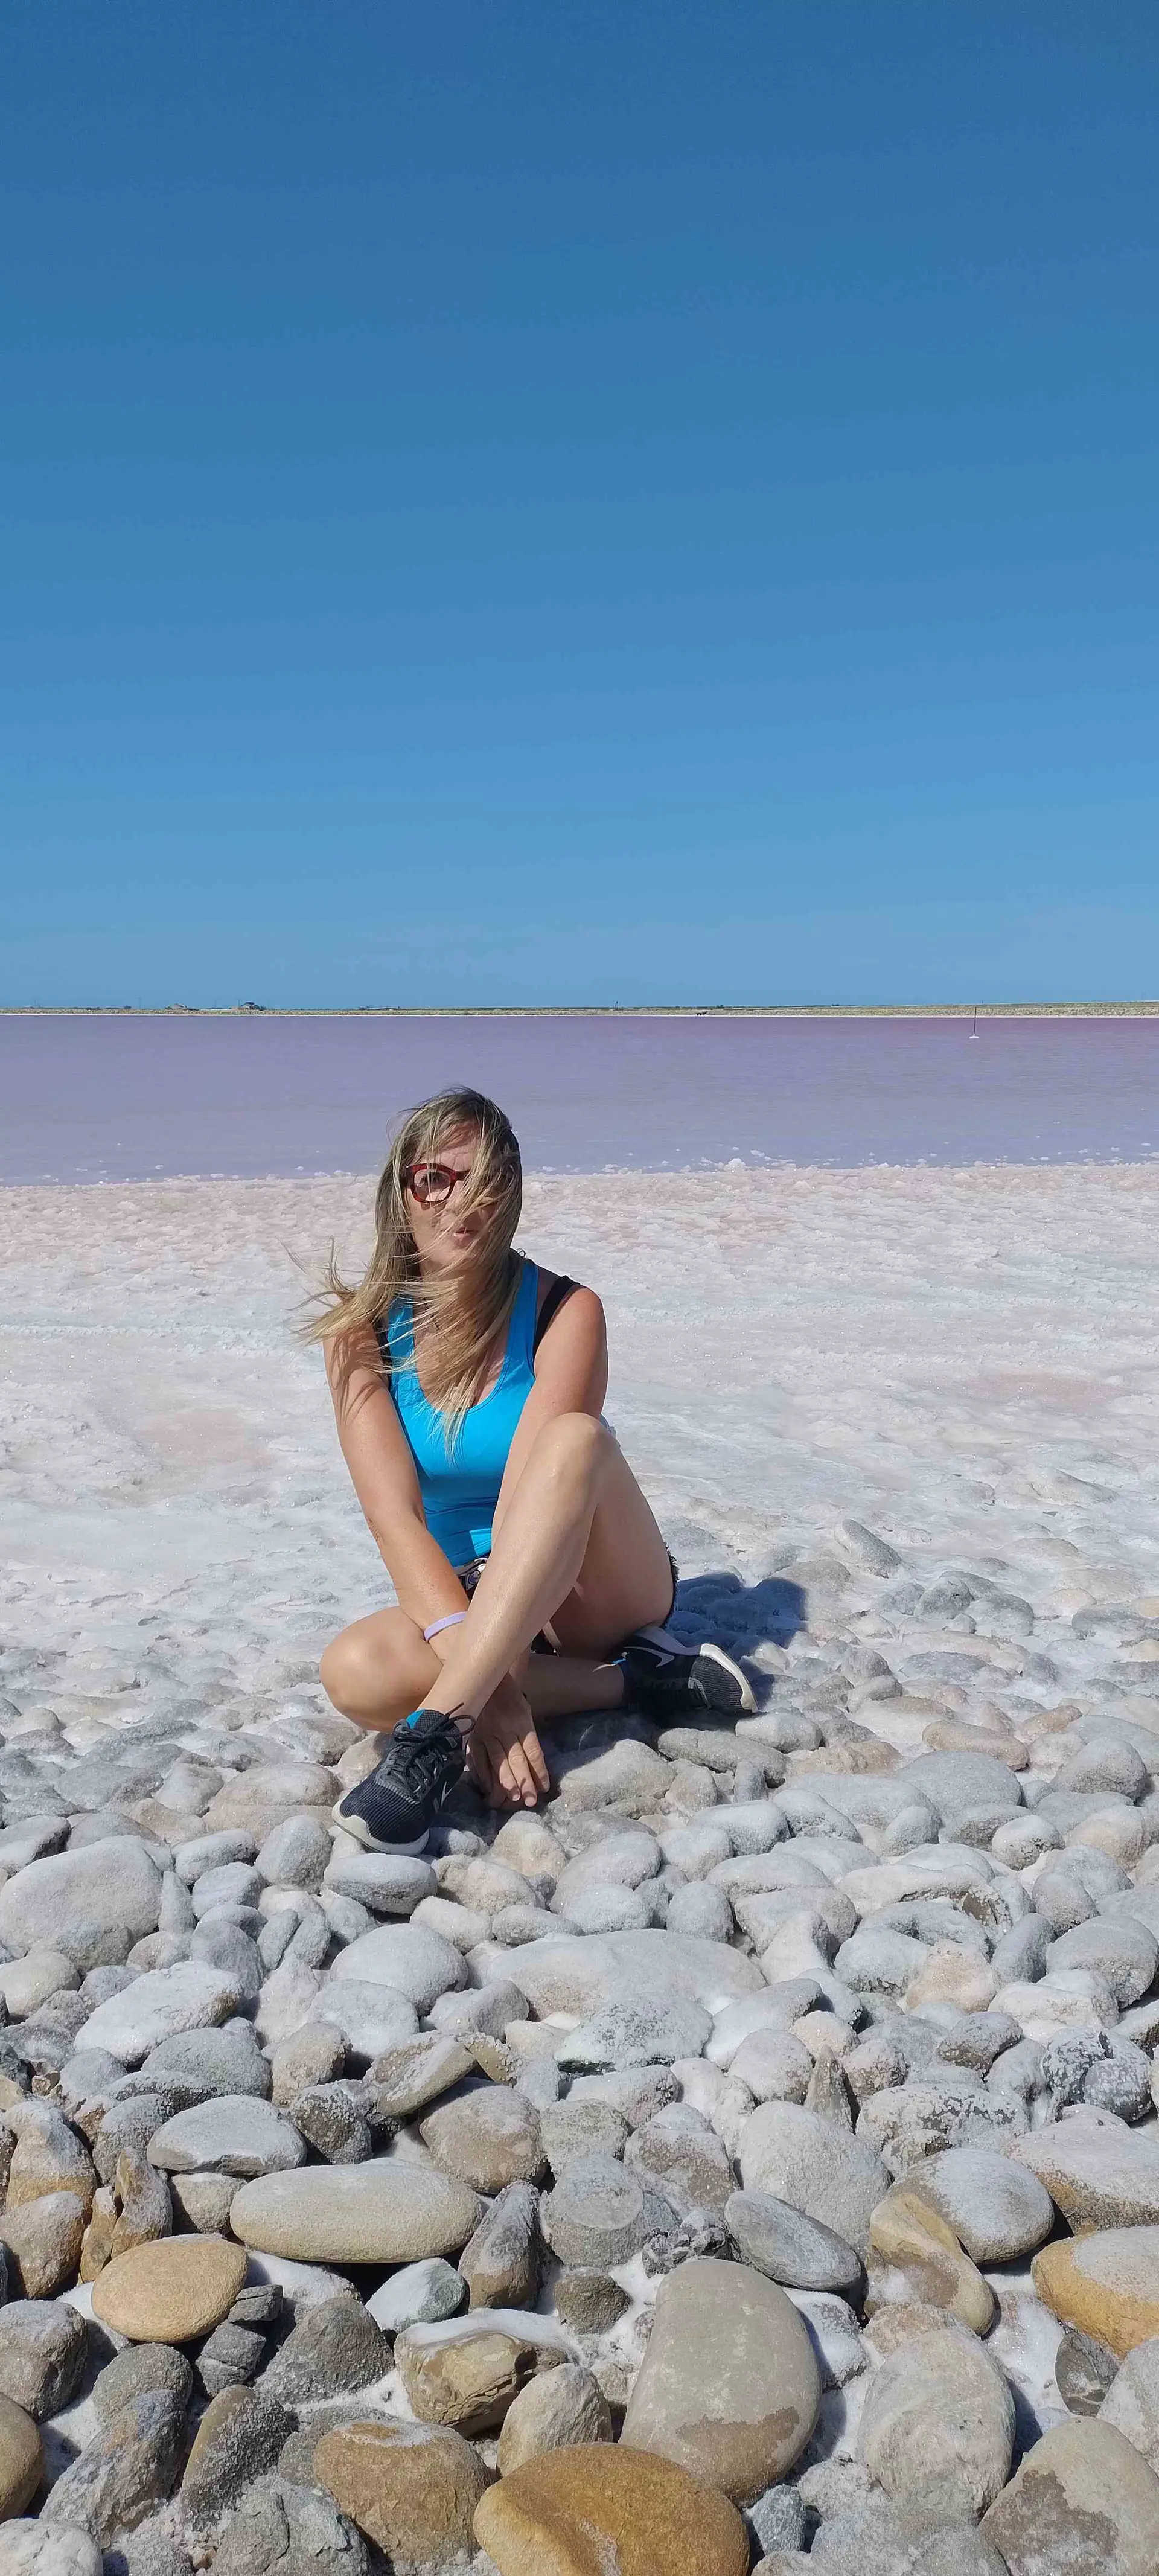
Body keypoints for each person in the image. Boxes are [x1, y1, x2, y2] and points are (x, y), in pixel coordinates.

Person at [310, 1086, 753, 1854]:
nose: (461, 1201)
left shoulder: (564, 1309)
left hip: (591, 1585)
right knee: (353, 1671)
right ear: (401, 1192)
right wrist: (498, 1694)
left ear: (510, 1196)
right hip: (462, 1598)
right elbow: (394, 1518)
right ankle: (639, 1681)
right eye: (435, 1178)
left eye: (485, 1181)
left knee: (574, 1439)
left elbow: (526, 1495)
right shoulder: (361, 1333)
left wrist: (467, 1698)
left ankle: (433, 1737)